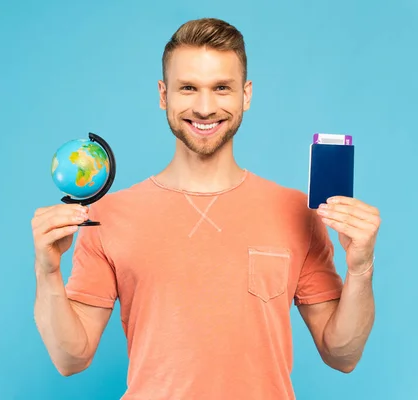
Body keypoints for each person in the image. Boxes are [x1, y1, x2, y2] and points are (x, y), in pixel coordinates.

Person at [31, 17, 380, 399]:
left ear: (246, 95)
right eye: (188, 88)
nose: (204, 107)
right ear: (164, 95)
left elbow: (342, 354)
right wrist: (47, 271)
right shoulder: (110, 216)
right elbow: (71, 358)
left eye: (221, 88)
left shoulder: (297, 211)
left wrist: (361, 269)